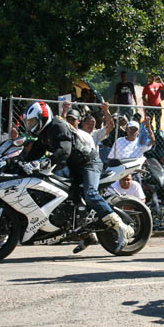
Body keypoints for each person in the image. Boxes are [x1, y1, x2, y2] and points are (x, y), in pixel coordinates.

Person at [22, 101, 133, 252]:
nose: (30, 125)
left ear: (43, 117)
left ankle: (121, 227)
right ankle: (87, 235)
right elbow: (34, 154)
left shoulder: (57, 126)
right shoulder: (43, 134)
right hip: (75, 167)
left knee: (90, 194)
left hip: (89, 163)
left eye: (33, 121)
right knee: (70, 202)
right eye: (29, 122)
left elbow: (64, 150)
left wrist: (47, 161)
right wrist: (18, 163)